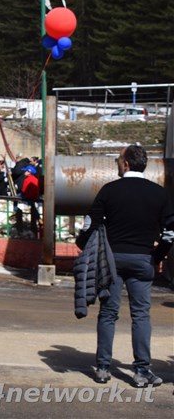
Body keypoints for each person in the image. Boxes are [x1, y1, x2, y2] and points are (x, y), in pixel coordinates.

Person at [75, 145, 174, 388]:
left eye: (119, 160)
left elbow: (89, 226)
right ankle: (141, 371)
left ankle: (102, 367)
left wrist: (83, 246)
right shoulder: (159, 194)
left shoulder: (109, 191)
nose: (117, 164)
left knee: (108, 313)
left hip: (112, 261)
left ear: (127, 164)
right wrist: (156, 257)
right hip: (143, 260)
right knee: (141, 315)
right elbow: (170, 233)